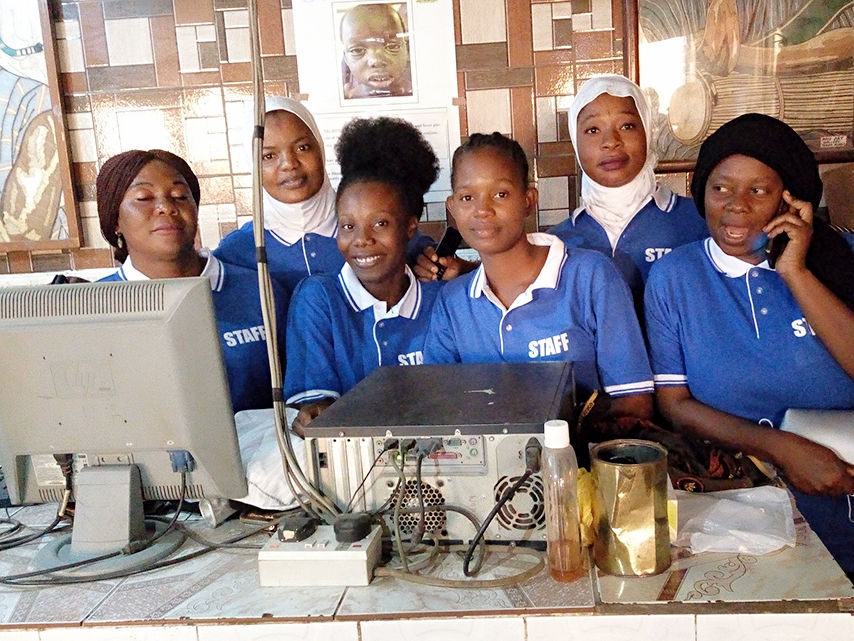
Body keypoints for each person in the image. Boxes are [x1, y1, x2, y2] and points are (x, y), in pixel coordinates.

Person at [644, 113, 854, 573]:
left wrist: (796, 272)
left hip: (844, 492)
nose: (736, 206)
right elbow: (675, 404)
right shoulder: (675, 278)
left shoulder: (841, 259)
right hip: (737, 513)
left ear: (789, 198)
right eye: (720, 188)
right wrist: (783, 448)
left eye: (758, 190)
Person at [424, 132, 654, 420]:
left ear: (528, 200)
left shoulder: (590, 277)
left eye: (500, 194)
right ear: (452, 207)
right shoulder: (452, 303)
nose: (482, 210)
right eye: (467, 197)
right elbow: (437, 405)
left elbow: (635, 402)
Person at [97, 149, 288, 415]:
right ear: (115, 220)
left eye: (180, 196)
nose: (166, 207)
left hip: (258, 441)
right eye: (144, 198)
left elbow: (298, 396)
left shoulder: (261, 291)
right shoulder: (92, 306)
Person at [285, 117, 442, 433]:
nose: (361, 239)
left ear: (410, 226)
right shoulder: (318, 298)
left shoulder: (440, 297)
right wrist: (313, 416)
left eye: (380, 223)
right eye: (347, 226)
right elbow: (316, 412)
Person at [214, 96, 433, 295]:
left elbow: (438, 272)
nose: (289, 164)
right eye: (268, 156)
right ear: (251, 164)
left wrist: (438, 268)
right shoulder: (236, 253)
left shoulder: (383, 231)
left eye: (302, 147)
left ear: (320, 147)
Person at [548, 75, 707, 307]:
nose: (611, 141)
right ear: (575, 141)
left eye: (627, 126)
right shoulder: (556, 244)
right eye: (593, 129)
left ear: (648, 132)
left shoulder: (700, 222)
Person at [340, 3, 412, 99]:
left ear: (406, 50)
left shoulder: (424, 92)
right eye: (357, 50)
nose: (377, 61)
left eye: (392, 46)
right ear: (346, 59)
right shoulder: (346, 98)